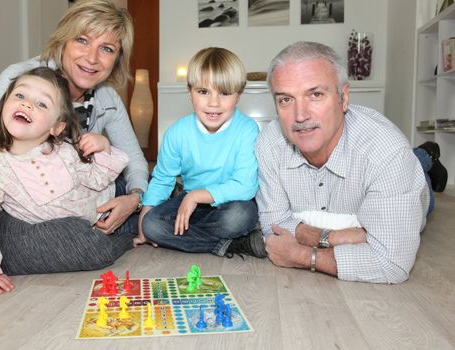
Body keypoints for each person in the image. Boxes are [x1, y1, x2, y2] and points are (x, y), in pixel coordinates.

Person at [0, 0, 147, 277]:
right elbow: (1, 157)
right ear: (63, 41)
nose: (92, 58)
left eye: (107, 49)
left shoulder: (108, 99)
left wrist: (134, 200)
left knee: (124, 184)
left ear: (117, 59)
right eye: (82, 40)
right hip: (19, 195)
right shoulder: (20, 79)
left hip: (74, 192)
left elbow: (134, 160)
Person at [0, 67, 129, 295]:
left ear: (57, 127)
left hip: (110, 203)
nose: (27, 104)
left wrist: (103, 148)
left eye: (42, 104)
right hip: (73, 229)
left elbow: (98, 179)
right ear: (4, 103)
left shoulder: (64, 151)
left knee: (153, 218)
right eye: (20, 95)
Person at [256, 41, 430, 284]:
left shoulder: (388, 153)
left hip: (412, 187)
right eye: (286, 100)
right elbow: (273, 225)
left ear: (343, 98)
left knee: (421, 171)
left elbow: (391, 263)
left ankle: (427, 157)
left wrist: (303, 255)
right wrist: (335, 238)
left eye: (315, 95)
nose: (300, 116)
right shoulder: (269, 143)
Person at [134, 47, 266, 259]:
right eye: (203, 92)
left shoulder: (247, 129)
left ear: (239, 95)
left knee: (242, 215)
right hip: (190, 205)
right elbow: (162, 178)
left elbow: (245, 186)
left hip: (229, 203)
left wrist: (197, 195)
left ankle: (199, 236)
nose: (214, 103)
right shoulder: (177, 133)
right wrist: (146, 214)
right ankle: (234, 244)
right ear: (190, 91)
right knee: (152, 225)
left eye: (224, 93)